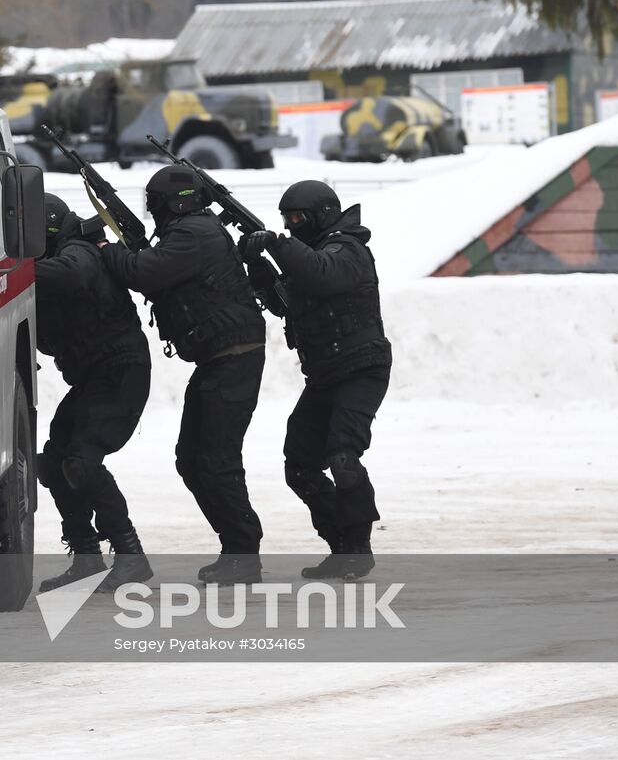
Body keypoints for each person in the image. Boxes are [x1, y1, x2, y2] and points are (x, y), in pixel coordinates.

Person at [99, 165, 267, 585]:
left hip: (234, 357)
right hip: (220, 358)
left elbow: (141, 272)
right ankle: (237, 548)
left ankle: (243, 554)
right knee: (191, 460)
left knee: (214, 459)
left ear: (175, 203)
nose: (153, 213)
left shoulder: (194, 234)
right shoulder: (192, 230)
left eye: (155, 205)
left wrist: (104, 247)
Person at [242, 180, 391, 580]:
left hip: (362, 367)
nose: (292, 227)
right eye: (286, 221)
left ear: (321, 215)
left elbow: (323, 274)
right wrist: (257, 265)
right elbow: (285, 302)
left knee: (343, 456)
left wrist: (277, 244)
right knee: (301, 466)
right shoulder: (308, 253)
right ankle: (340, 547)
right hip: (325, 372)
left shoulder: (347, 249)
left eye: (297, 219)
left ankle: (359, 547)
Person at [34, 194, 153, 592]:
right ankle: (87, 558)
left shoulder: (79, 250)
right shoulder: (58, 255)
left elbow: (73, 273)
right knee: (53, 463)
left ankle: (131, 556)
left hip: (121, 371)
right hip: (93, 377)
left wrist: (15, 271)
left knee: (82, 462)